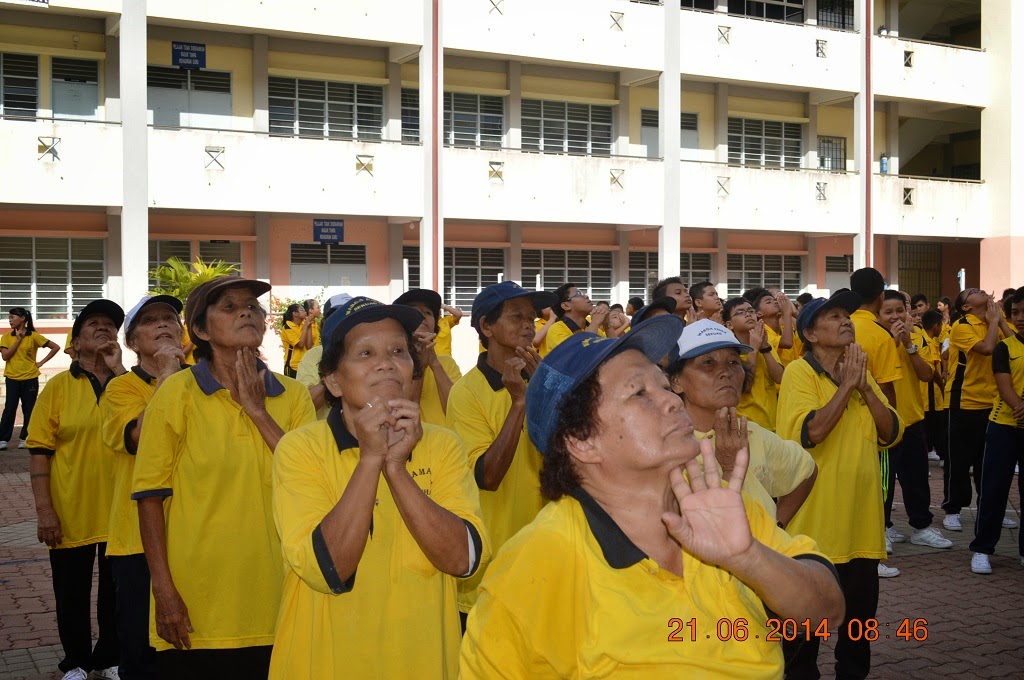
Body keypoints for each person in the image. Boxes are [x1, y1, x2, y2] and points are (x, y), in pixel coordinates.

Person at [460, 316, 845, 678]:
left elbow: (827, 613)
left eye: (663, 384)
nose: (672, 401)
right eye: (639, 393)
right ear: (582, 441)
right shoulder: (535, 567)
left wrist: (747, 557)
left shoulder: (722, 508)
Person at [269, 296, 488, 678]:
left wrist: (396, 469)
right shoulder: (300, 449)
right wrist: (371, 460)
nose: (386, 362)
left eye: (398, 351)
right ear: (333, 380)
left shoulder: (442, 445)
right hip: (325, 663)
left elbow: (462, 560)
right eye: (365, 353)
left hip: (424, 662)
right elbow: (329, 569)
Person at [132, 278, 315, 678]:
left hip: (282, 598)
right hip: (200, 605)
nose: (247, 312)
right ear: (199, 330)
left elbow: (310, 481)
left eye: (252, 306)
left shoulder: (293, 395)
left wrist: (257, 410)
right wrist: (164, 592)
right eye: (229, 307)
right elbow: (149, 498)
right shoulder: (176, 393)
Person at [777, 291, 904, 679]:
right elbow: (810, 432)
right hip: (813, 532)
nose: (845, 321)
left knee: (858, 630)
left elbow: (892, 432)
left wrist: (864, 386)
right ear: (811, 334)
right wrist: (848, 387)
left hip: (862, 528)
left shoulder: (857, 372)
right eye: (833, 317)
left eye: (846, 316)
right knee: (801, 638)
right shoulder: (800, 372)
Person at [445, 281, 557, 625]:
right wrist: (521, 402)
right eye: (517, 316)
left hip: (550, 558)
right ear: (486, 327)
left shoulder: (548, 379)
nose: (529, 324)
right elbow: (488, 477)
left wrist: (545, 397)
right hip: (494, 563)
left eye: (533, 318)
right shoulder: (467, 393)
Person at [27, 299, 127, 680]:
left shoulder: (130, 383)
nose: (104, 329)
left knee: (116, 592)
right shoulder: (57, 388)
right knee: (71, 592)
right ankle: (77, 662)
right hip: (71, 510)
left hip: (121, 510)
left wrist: (119, 369)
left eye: (110, 325)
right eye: (94, 324)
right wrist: (44, 511)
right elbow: (39, 454)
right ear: (76, 339)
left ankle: (109, 657)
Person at [100, 295, 187, 680]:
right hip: (137, 539)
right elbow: (141, 438)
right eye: (150, 321)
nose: (164, 324)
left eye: (170, 318)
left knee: (187, 646)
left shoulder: (202, 382)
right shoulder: (121, 389)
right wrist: (168, 374)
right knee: (142, 649)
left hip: (192, 534)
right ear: (133, 343)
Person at [665, 318, 816, 524]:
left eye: (734, 362)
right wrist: (730, 468)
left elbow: (806, 471)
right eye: (708, 363)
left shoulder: (751, 433)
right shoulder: (668, 448)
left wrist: (777, 526)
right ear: (676, 381)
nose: (726, 372)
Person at [877, 292, 953, 550]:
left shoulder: (917, 336)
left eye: (900, 310)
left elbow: (926, 374)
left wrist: (908, 345)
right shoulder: (874, 338)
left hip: (911, 418)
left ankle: (921, 527)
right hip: (883, 422)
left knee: (916, 478)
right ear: (878, 313)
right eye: (888, 312)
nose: (896, 316)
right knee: (883, 482)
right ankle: (882, 528)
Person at [941, 288, 1015, 532]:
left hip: (993, 402)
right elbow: (986, 348)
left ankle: (990, 509)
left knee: (989, 463)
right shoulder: (962, 325)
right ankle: (953, 509)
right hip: (965, 401)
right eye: (971, 292)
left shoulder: (996, 319)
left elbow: (1016, 345)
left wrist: (1000, 321)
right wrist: (994, 322)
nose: (979, 289)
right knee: (959, 461)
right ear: (966, 307)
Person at [848, 269, 903, 573]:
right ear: (881, 296)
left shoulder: (842, 324)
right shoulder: (879, 335)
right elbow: (888, 387)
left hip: (843, 423)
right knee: (880, 488)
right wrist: (891, 428)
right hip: (873, 426)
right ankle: (873, 547)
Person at [969, 287, 1024, 574]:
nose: (1020, 318)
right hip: (1004, 426)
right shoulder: (1006, 347)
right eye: (1016, 313)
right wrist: (1020, 407)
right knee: (993, 489)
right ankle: (982, 549)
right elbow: (1004, 384)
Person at [394, 289, 463, 427]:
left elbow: (458, 412)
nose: (422, 315)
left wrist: (434, 363)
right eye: (413, 310)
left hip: (448, 445)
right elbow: (405, 415)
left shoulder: (447, 363)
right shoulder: (394, 363)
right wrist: (421, 366)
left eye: (428, 312)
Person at [1, 307, 60, 450]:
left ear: (23, 318)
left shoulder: (33, 336)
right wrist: (18, 341)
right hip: (12, 377)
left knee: (29, 409)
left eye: (12, 317)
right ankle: (3, 439)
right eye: (9, 317)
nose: (10, 320)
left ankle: (25, 437)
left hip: (30, 377)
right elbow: (5, 356)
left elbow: (55, 347)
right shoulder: (6, 337)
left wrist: (41, 363)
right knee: (9, 408)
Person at [721, 298, 784, 432]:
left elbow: (780, 378)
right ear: (729, 325)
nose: (748, 314)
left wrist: (765, 348)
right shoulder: (729, 352)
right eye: (740, 312)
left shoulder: (765, 344)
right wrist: (754, 348)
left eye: (751, 311)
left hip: (773, 426)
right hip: (746, 428)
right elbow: (745, 386)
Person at [296, 294, 350, 420]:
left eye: (350, 318)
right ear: (325, 323)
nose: (344, 323)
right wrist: (335, 370)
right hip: (325, 436)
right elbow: (304, 408)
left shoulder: (370, 356)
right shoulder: (313, 356)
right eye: (337, 317)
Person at [543, 283, 606, 356]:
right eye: (578, 294)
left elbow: (614, 354)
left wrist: (608, 325)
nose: (586, 296)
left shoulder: (593, 329)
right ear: (566, 305)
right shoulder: (556, 329)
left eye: (583, 293)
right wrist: (595, 322)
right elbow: (581, 355)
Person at [919, 310, 948, 464]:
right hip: (930, 393)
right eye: (941, 324)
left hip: (926, 394)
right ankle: (941, 454)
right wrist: (943, 386)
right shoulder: (927, 341)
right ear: (936, 325)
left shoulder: (926, 338)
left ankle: (931, 451)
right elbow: (934, 371)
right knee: (936, 425)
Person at [280, 302, 315, 378]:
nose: (305, 312)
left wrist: (309, 327)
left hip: (305, 365)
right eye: (302, 310)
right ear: (295, 314)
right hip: (293, 366)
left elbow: (309, 346)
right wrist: (306, 326)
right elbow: (300, 344)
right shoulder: (287, 327)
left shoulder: (303, 324)